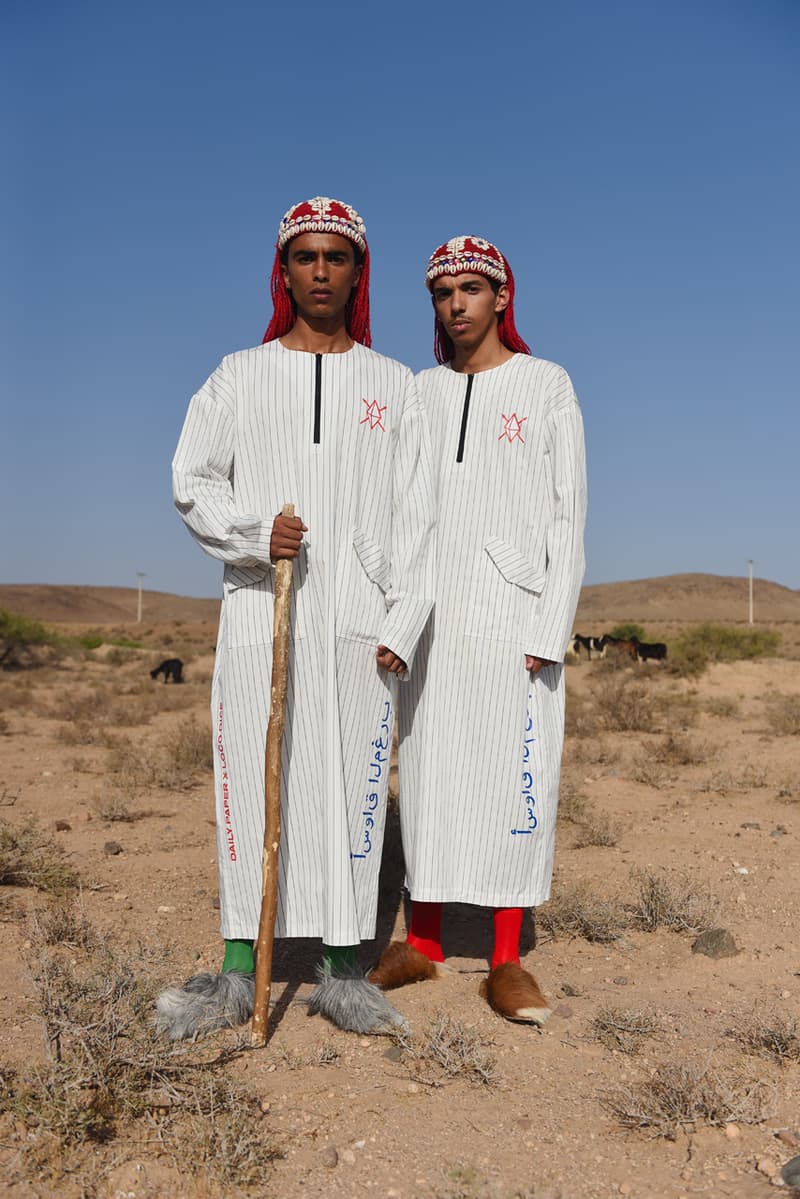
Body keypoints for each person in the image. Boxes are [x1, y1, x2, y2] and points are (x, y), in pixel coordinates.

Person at [157, 197, 435, 1039]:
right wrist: (252, 534)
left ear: (358, 272)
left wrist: (402, 620)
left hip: (359, 622)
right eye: (305, 257)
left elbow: (419, 516)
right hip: (260, 616)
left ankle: (345, 972)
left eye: (337, 258)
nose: (321, 272)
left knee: (351, 786)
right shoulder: (236, 375)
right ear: (284, 270)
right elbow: (190, 478)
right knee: (253, 777)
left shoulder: (395, 387)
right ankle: (240, 971)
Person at [370, 235, 586, 1023]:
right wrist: (399, 614)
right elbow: (405, 512)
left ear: (501, 296)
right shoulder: (422, 392)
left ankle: (505, 961)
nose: (455, 304)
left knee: (510, 778)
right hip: (435, 613)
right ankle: (422, 943)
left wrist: (549, 619)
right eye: (440, 292)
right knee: (425, 774)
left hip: (513, 612)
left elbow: (570, 513)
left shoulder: (546, 384)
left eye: (470, 288)